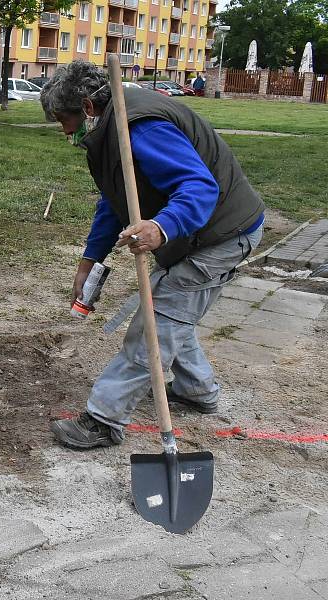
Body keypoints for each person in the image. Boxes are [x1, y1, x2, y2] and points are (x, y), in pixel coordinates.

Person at [41, 61, 265, 449]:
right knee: (174, 307)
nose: (63, 131)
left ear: (87, 108)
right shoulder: (111, 131)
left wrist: (161, 228)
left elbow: (199, 187)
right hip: (201, 233)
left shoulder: (140, 127)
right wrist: (88, 261)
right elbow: (116, 200)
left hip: (223, 234)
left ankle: (103, 419)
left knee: (158, 316)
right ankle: (198, 390)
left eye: (63, 119)